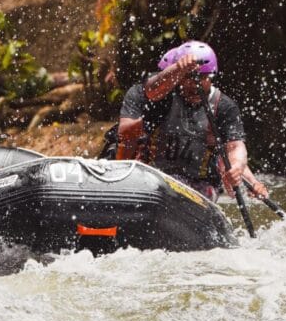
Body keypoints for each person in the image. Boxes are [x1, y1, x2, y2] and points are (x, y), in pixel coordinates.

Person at [115, 40, 268, 202]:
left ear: (212, 76)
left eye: (203, 77)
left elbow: (234, 148)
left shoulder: (224, 107)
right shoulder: (161, 99)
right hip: (156, 176)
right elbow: (148, 97)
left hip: (200, 183)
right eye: (187, 77)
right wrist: (178, 69)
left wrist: (245, 175)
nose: (195, 84)